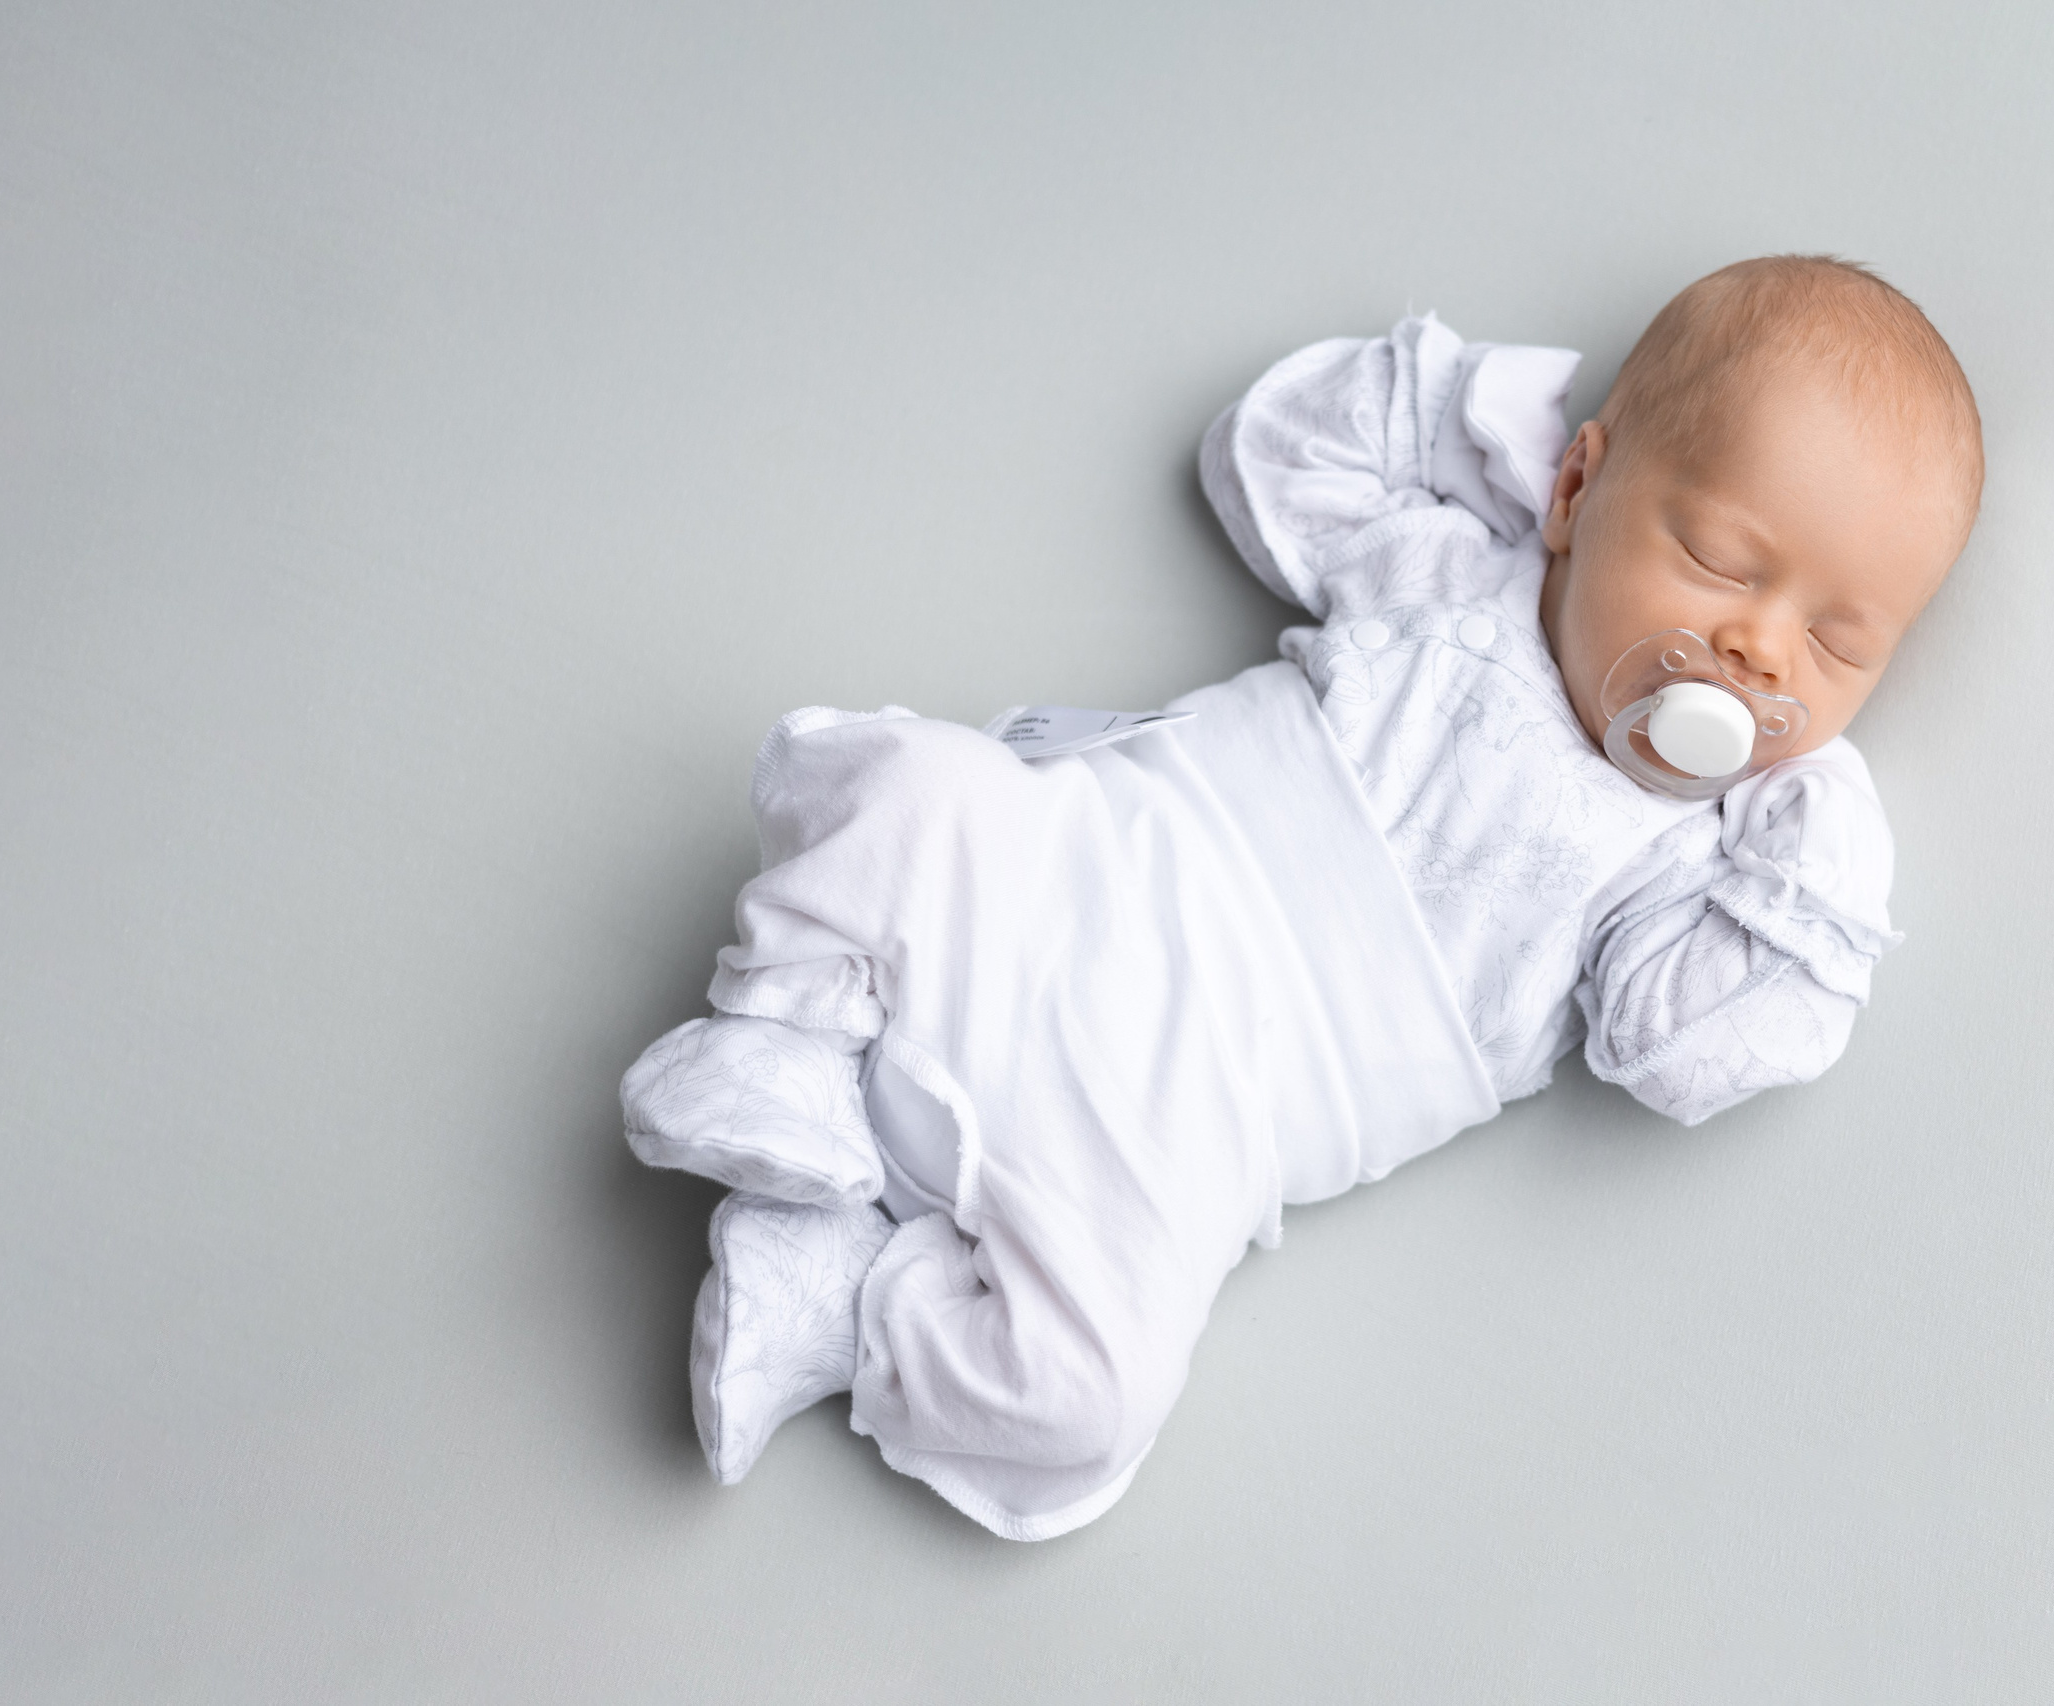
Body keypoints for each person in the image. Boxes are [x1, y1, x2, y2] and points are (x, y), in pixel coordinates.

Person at [620, 255, 1984, 1540]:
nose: (1760, 650)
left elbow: (1678, 1054)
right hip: (1086, 871)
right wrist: (1473, 425)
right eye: (1725, 563)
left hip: (1181, 1136)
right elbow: (1269, 451)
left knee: (1086, 1404)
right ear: (1581, 488)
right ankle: (792, 1048)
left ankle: (841, 1297)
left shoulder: (1672, 870)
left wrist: (1808, 869)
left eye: (1837, 642)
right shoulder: (1457, 580)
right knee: (906, 783)